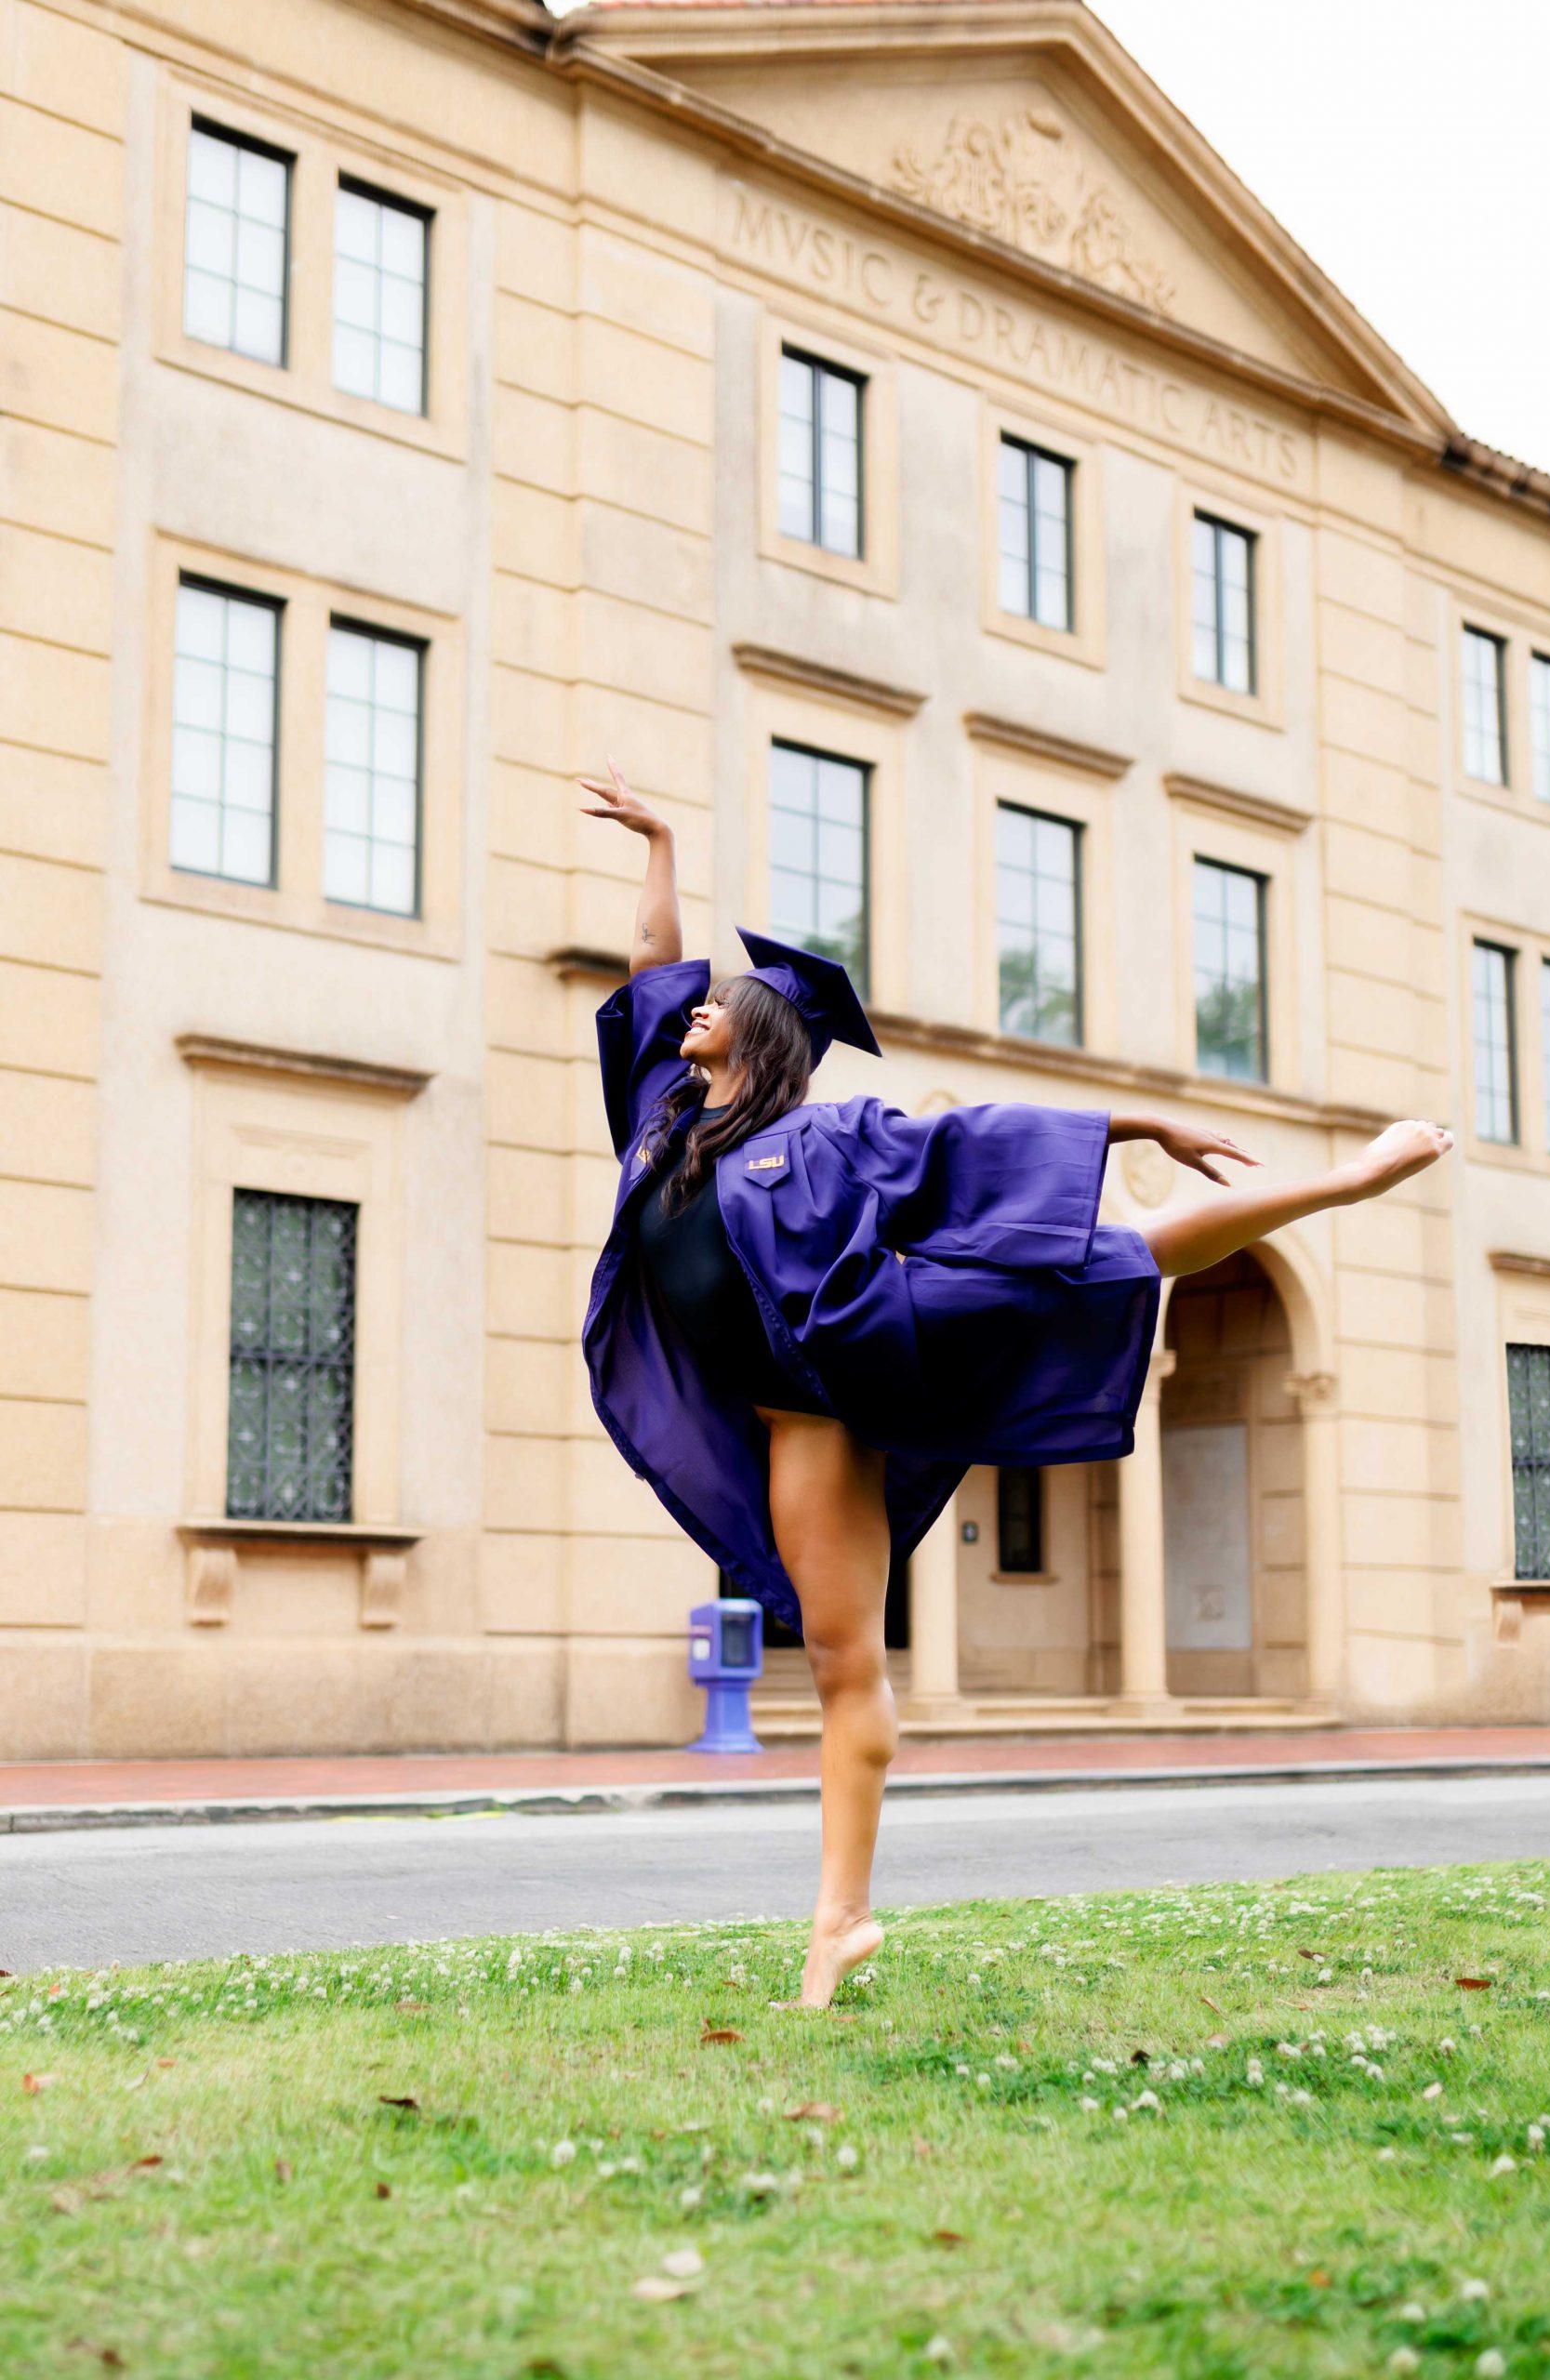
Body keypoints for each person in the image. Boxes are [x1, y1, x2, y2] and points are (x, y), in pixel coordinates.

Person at [578, 760, 1453, 2008]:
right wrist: (662, 838)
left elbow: (966, 1144)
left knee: (1115, 1257)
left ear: (763, 1035)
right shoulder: (662, 1117)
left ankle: (1350, 1180)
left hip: (873, 1344)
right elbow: (646, 972)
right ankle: (841, 1928)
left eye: (719, 1005)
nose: (692, 1011)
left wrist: (1136, 1129)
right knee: (840, 1661)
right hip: (785, 1425)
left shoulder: (821, 1136)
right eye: (695, 1006)